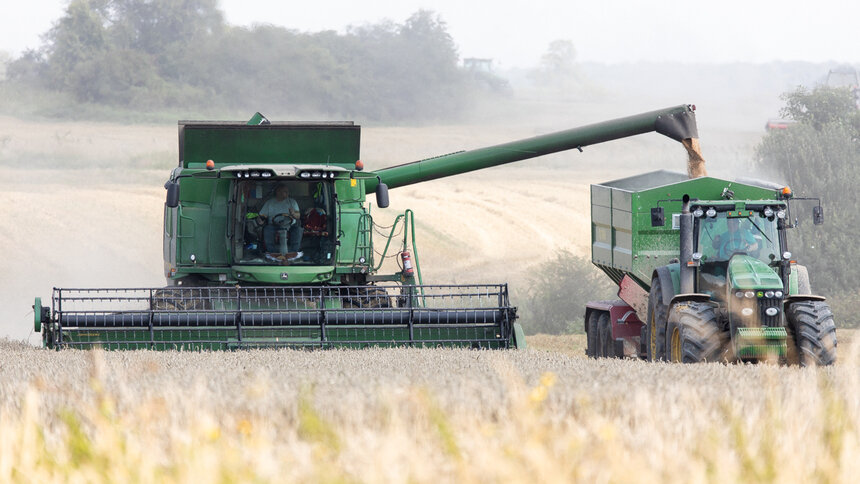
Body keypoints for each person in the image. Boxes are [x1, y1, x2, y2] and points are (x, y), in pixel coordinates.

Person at [259, 183, 303, 254]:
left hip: (290, 225)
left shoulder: (292, 202)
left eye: (287, 192)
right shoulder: (269, 203)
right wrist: (260, 220)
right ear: (278, 192)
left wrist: (294, 214)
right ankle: (272, 253)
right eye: (285, 192)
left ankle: (293, 252)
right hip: (274, 225)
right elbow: (262, 215)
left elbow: (298, 216)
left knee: (298, 230)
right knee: (267, 229)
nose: (287, 193)